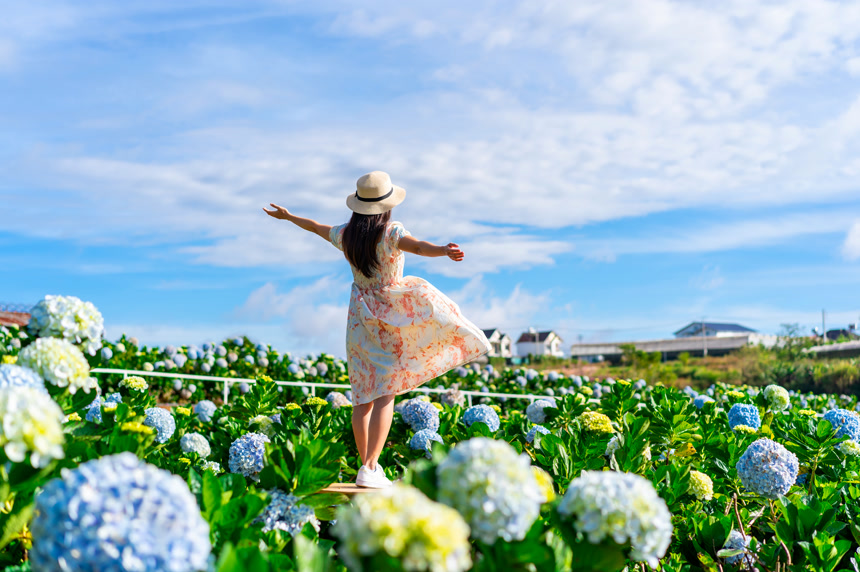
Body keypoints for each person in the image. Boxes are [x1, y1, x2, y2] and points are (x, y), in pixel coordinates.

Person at [263, 171, 491, 488]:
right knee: (386, 392)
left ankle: (366, 467)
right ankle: (371, 466)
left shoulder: (346, 235)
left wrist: (288, 217)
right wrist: (443, 250)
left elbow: (315, 227)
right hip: (391, 314)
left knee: (363, 396)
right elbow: (419, 248)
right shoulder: (391, 231)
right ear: (386, 206)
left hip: (360, 317)